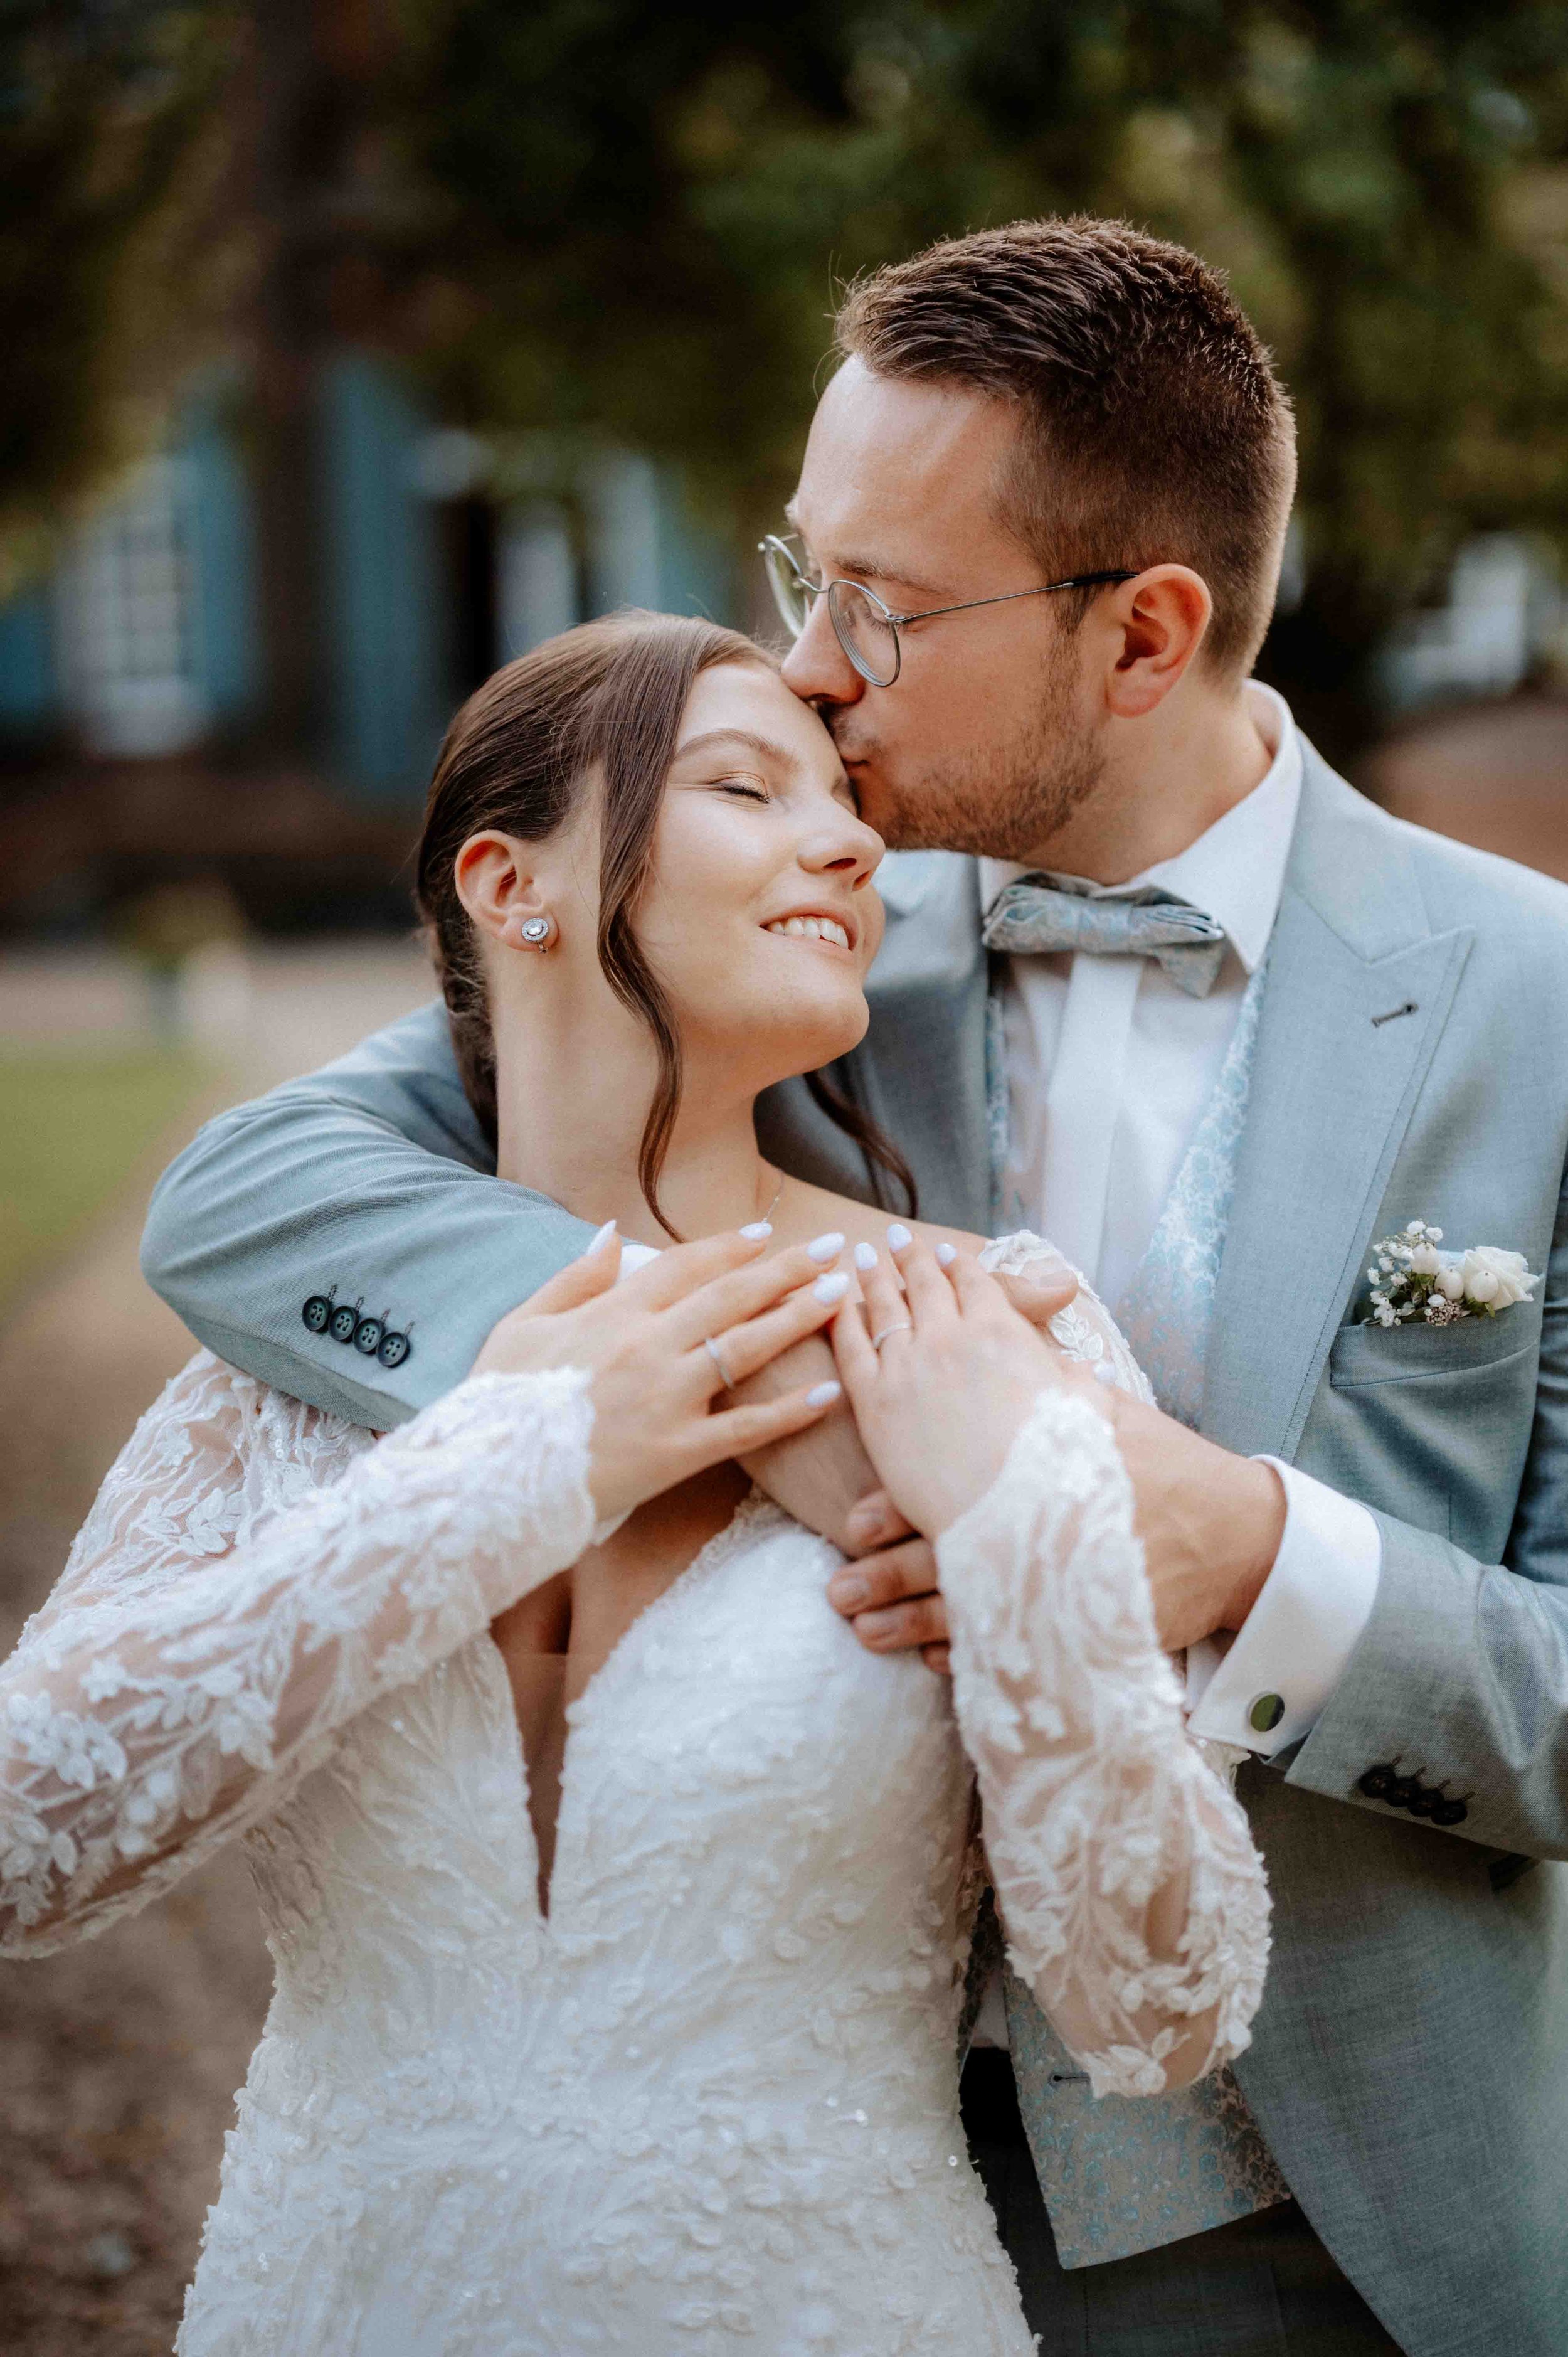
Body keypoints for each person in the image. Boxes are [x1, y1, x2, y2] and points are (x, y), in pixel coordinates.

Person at [140, 218, 1568, 2357]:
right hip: (827, 2185)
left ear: (1145, 634)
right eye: (801, 572)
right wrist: (768, 1383)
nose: (804, 669)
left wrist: (1245, 1553)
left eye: (880, 612)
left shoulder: (1537, 1010)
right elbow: (253, 1201)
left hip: (1332, 2220)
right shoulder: (762, 940)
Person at [0, 616, 1269, 2357]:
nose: (845, 840)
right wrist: (511, 1465)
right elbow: (24, 1846)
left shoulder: (979, 1331)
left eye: (847, 808)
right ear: (510, 885)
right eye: (746, 786)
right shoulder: (291, 1365)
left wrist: (1022, 1544)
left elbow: (1159, 2009)